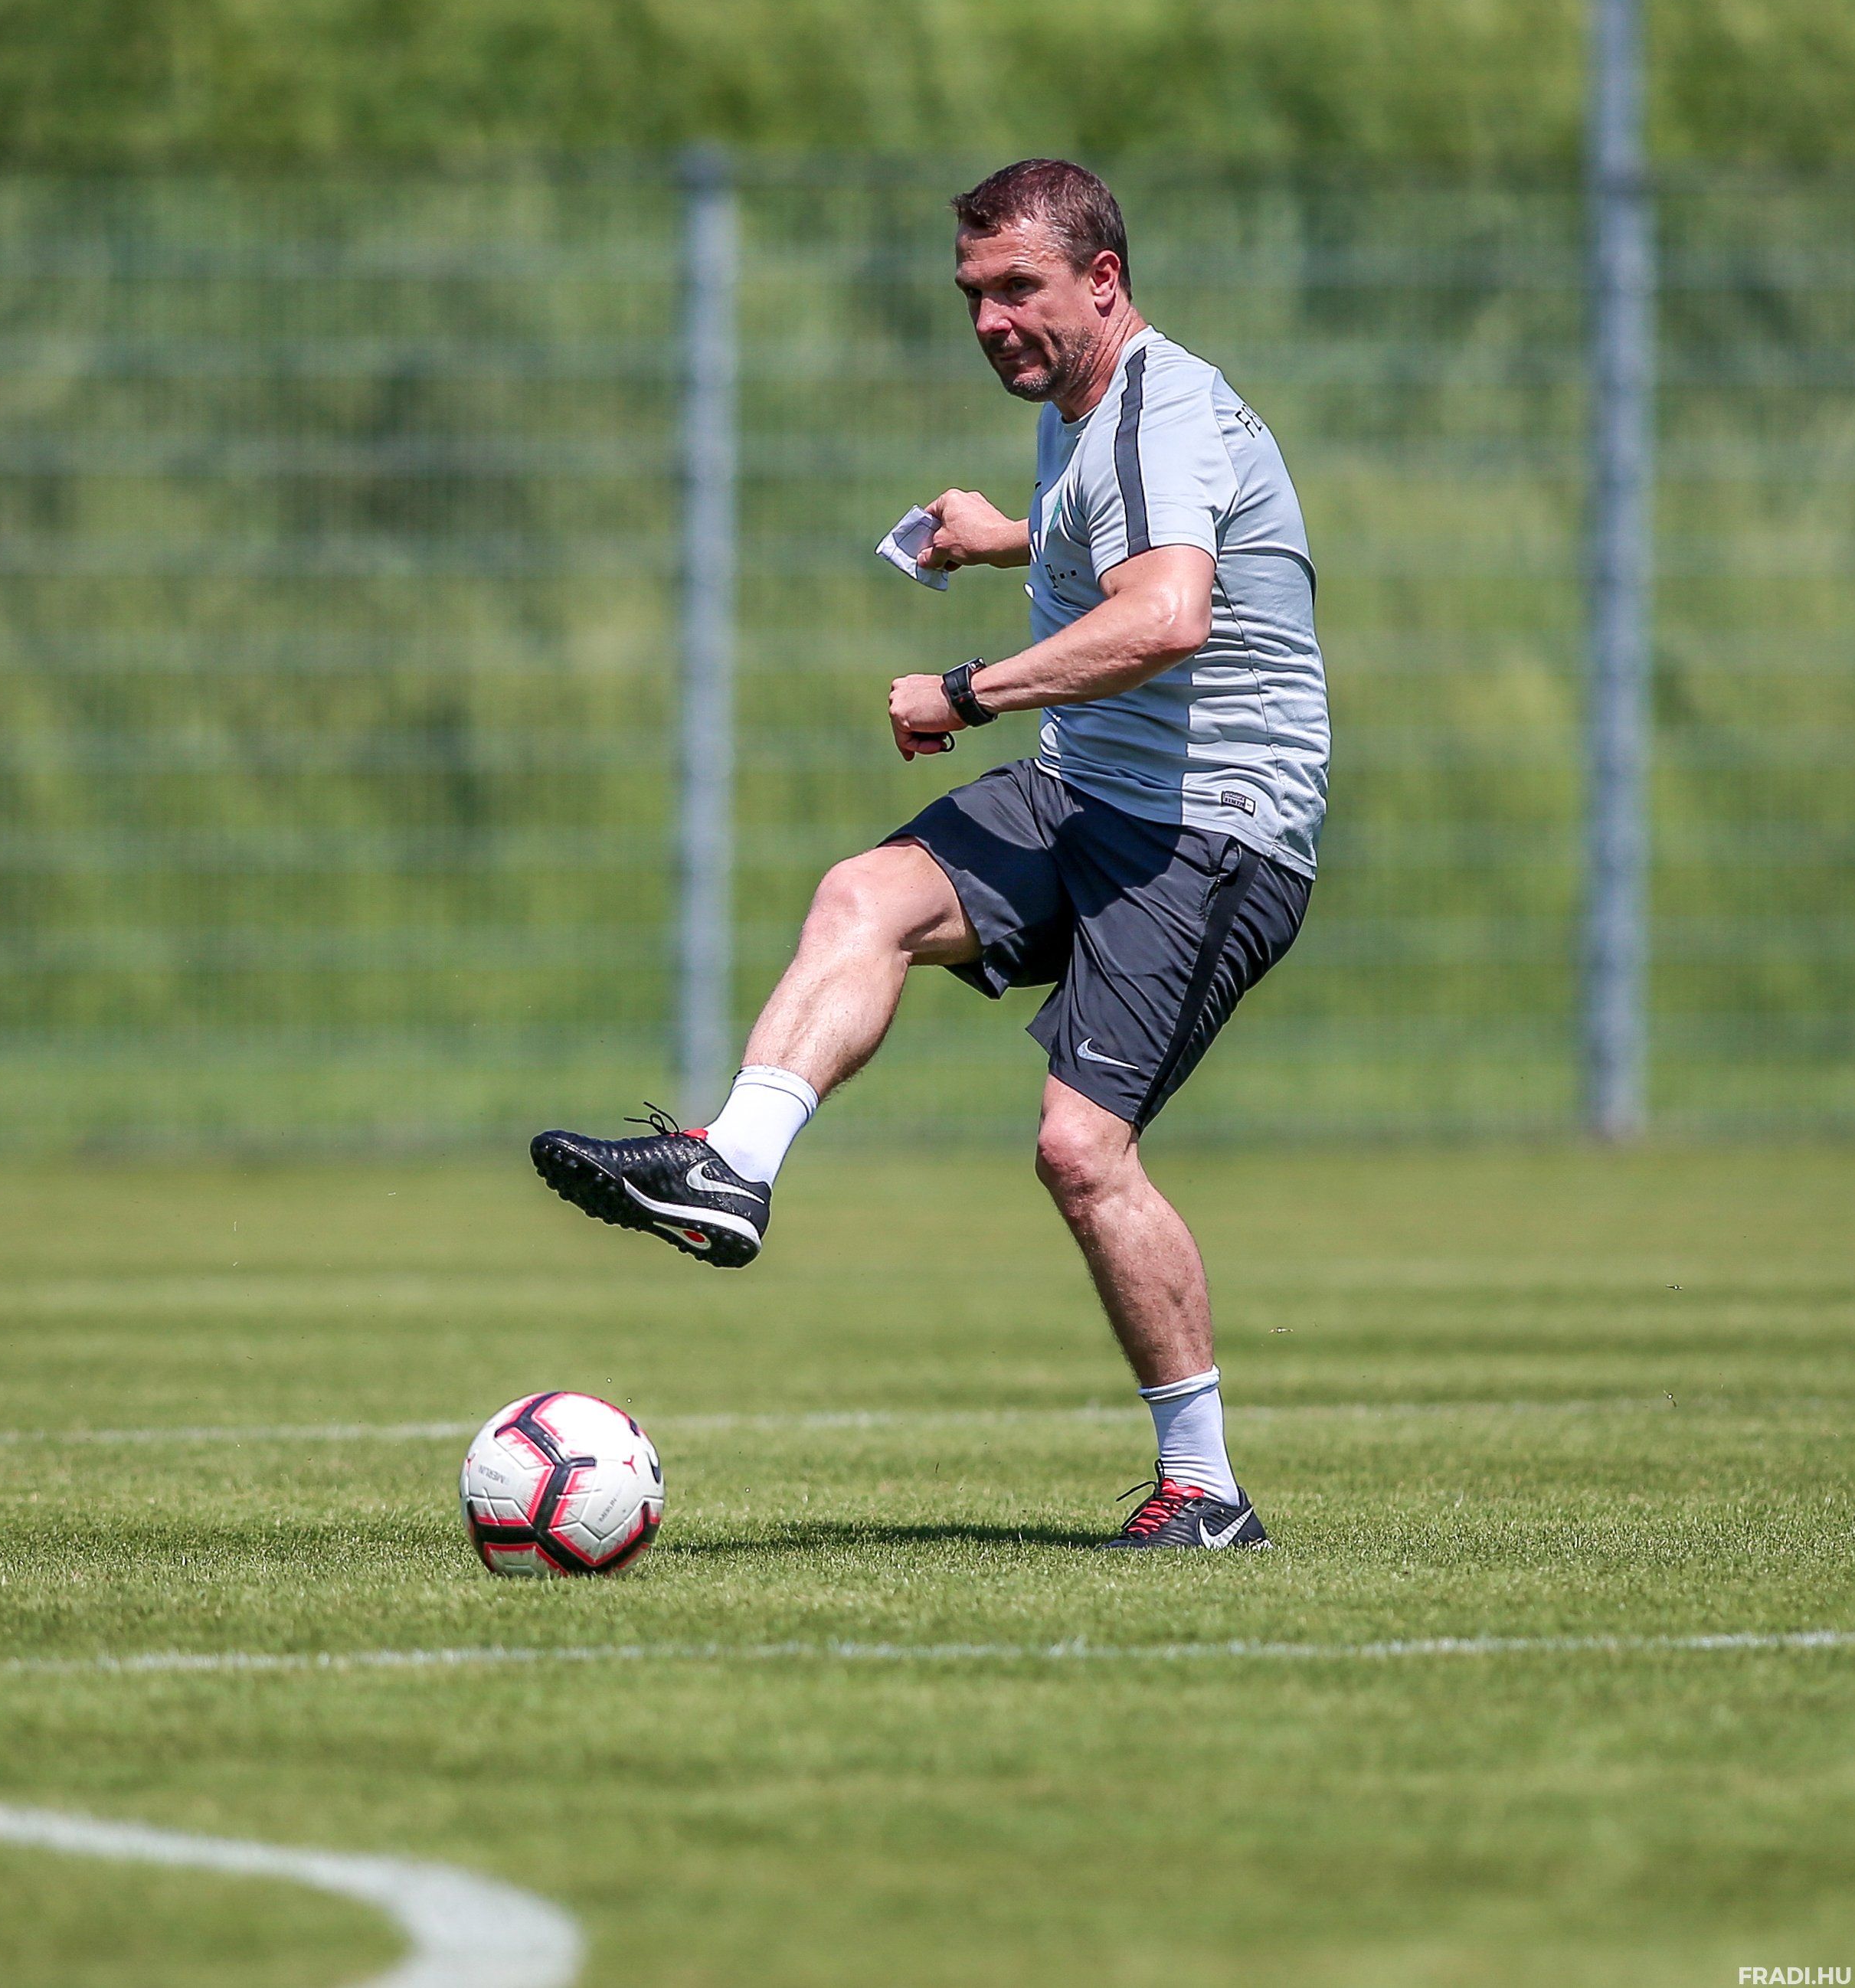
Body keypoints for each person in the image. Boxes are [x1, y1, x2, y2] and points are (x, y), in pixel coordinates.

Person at [532, 159, 1325, 1549]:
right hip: (1089, 792)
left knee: (1080, 1153)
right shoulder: (1090, 409)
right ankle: (732, 1164)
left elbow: (1167, 618)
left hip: (1212, 830)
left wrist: (967, 691)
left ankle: (1203, 1491)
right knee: (866, 895)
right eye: (972, 294)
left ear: (1103, 281)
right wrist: (1005, 541)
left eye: (1019, 288)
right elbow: (1119, 532)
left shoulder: (1160, 410)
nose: (990, 321)